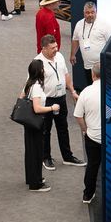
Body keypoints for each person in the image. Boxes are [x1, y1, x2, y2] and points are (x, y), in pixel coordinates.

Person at [35, 36, 78, 168]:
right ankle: (46, 157)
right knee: (45, 130)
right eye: (52, 48)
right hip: (46, 101)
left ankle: (67, 156)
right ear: (44, 48)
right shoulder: (37, 63)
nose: (56, 49)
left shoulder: (59, 56)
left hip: (61, 98)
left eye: (56, 46)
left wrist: (72, 91)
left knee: (63, 128)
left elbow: (66, 75)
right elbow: (32, 85)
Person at [21, 58, 57, 193]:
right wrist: (51, 108)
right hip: (35, 122)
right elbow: (37, 109)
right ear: (39, 71)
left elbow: (21, 98)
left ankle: (32, 178)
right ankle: (35, 184)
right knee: (36, 152)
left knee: (31, 151)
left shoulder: (29, 84)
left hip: (28, 123)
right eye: (43, 68)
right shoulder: (36, 87)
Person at [73, 55, 103, 204]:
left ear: (92, 75)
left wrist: (85, 130)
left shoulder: (85, 92)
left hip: (92, 137)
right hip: (110, 139)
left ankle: (88, 194)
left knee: (92, 166)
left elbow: (78, 116)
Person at [68, 0, 105, 91]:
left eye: (92, 12)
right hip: (88, 66)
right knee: (91, 88)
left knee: (102, 89)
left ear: (96, 12)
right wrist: (72, 54)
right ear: (83, 13)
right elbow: (75, 40)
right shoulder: (79, 24)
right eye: (87, 12)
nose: (90, 15)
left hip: (102, 65)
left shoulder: (104, 24)